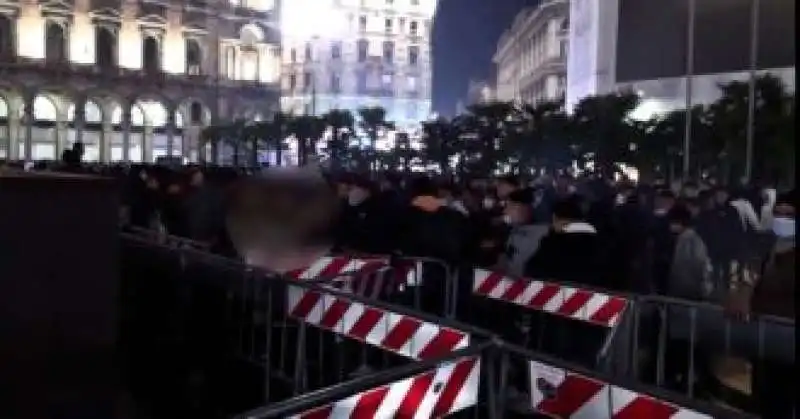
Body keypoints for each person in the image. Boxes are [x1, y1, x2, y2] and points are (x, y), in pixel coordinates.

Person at [727, 190, 795, 419]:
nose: (783, 220)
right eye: (779, 213)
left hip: (788, 346)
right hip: (764, 342)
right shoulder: (768, 249)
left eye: (790, 215)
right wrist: (743, 293)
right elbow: (751, 279)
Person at [496, 188, 549, 277]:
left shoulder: (541, 237)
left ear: (525, 208)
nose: (505, 211)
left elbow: (517, 272)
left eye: (511, 207)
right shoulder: (515, 231)